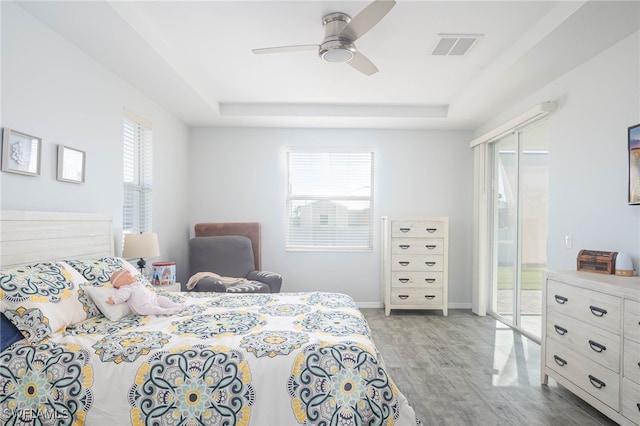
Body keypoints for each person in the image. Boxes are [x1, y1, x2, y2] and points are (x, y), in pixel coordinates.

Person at [107, 269, 184, 315]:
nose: (131, 276)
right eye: (127, 276)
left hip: (153, 300)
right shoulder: (126, 288)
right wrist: (115, 300)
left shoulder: (136, 284)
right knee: (156, 309)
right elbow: (122, 296)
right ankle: (167, 311)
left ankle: (176, 306)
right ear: (118, 283)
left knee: (162, 299)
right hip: (143, 307)